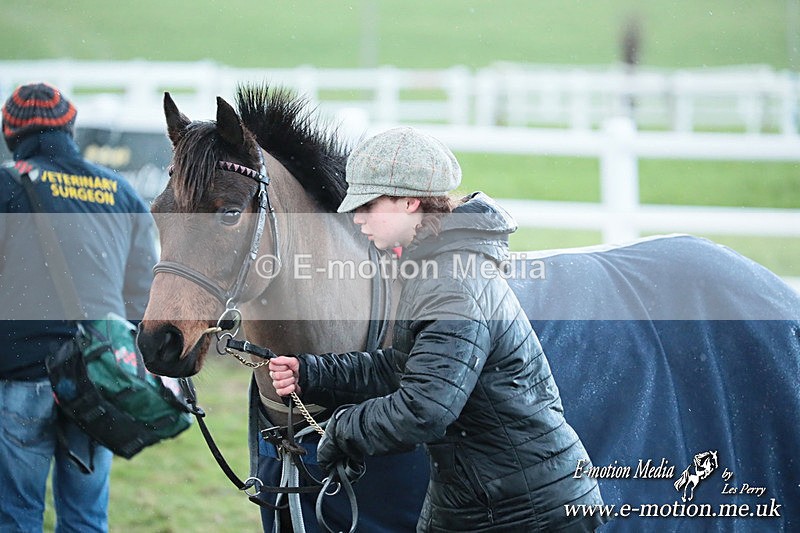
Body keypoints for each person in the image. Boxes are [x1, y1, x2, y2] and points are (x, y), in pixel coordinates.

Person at [269, 126, 609, 531]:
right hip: (484, 500)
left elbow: (424, 409)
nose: (355, 217)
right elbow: (406, 367)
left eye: (369, 205)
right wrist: (314, 372)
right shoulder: (438, 265)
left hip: (525, 512)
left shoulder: (451, 283)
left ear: (410, 202)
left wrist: (342, 429)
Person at [0, 83, 157, 532]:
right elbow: (143, 290)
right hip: (96, 376)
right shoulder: (120, 191)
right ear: (69, 127)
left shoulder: (5, 185)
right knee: (87, 517)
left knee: (17, 514)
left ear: (12, 132)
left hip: (21, 375)